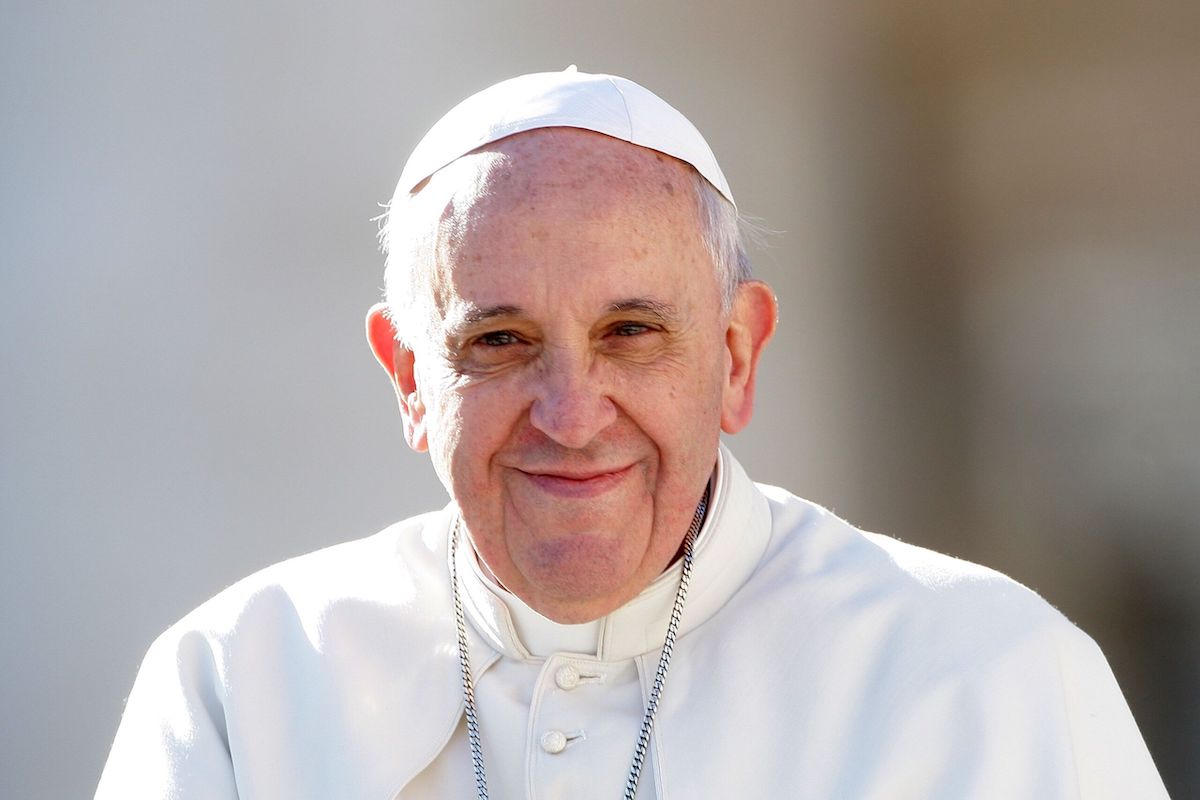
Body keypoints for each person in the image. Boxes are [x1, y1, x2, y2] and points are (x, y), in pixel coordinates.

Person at [96, 68, 1168, 799]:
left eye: (633, 332)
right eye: (502, 340)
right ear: (410, 375)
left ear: (737, 357)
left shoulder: (988, 675)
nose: (570, 416)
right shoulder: (242, 682)